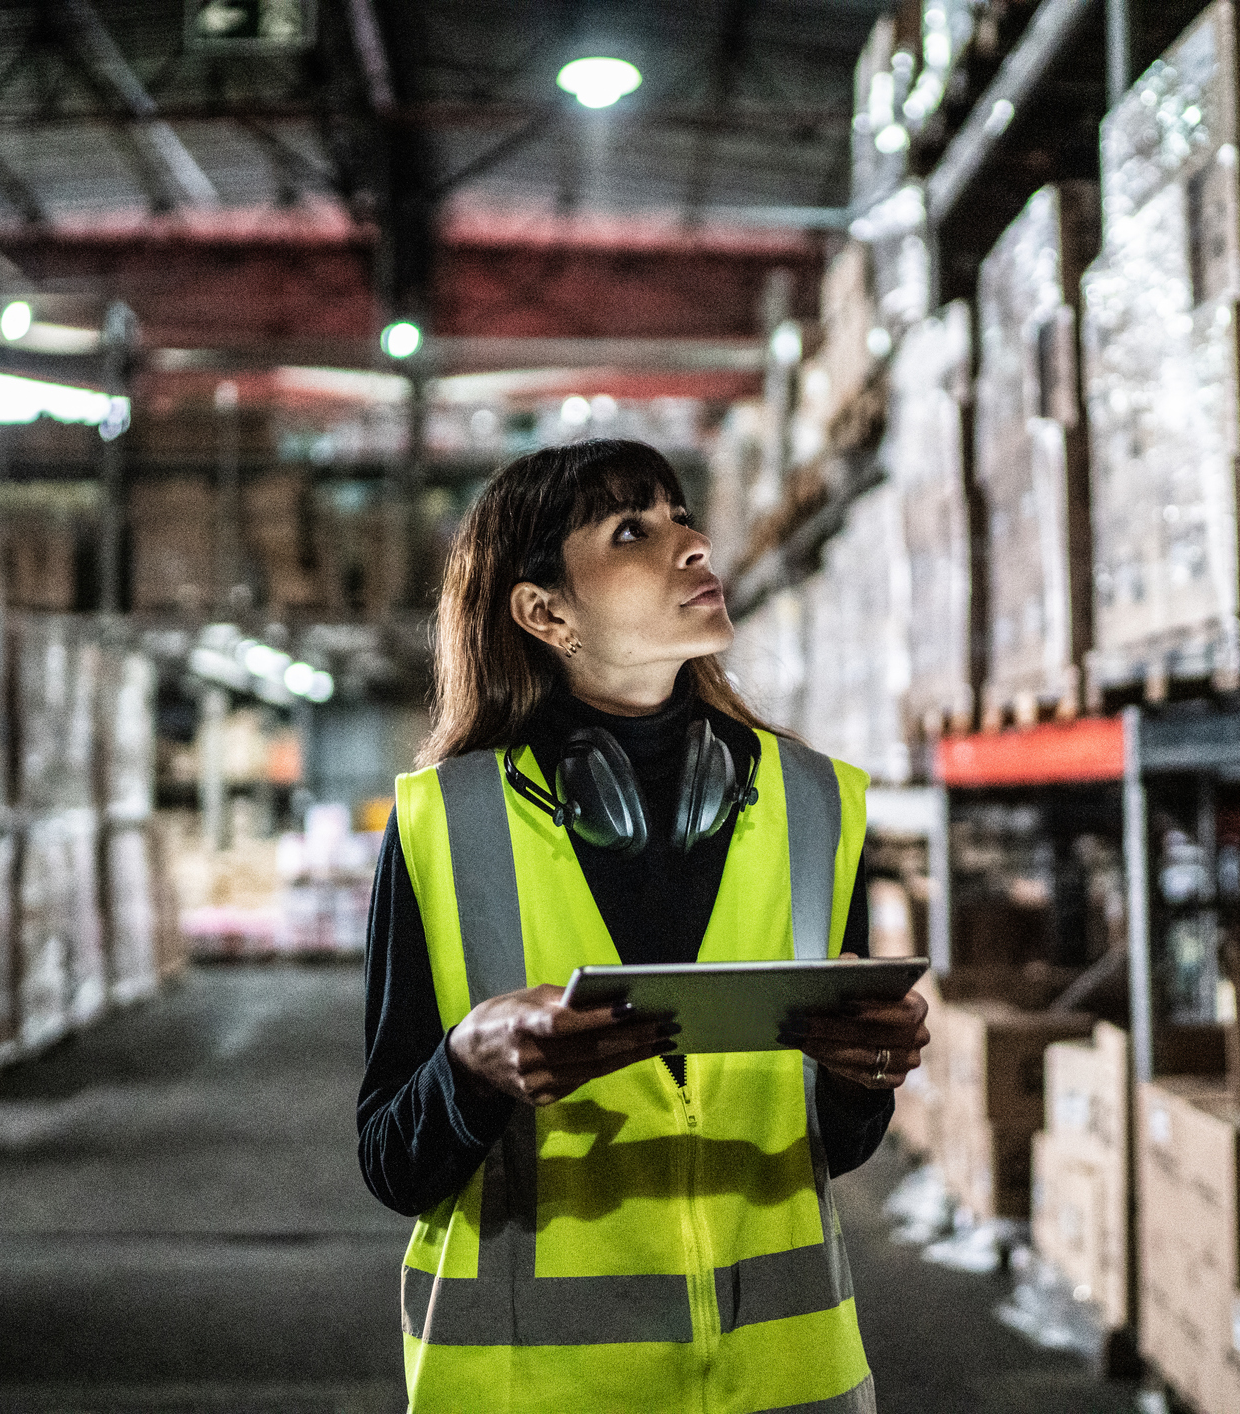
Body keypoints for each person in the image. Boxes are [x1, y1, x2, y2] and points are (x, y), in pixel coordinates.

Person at [358, 438, 930, 1413]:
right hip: (536, 1390)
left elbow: (827, 1144)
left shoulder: (812, 804)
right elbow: (391, 1157)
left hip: (786, 1386)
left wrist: (861, 1071)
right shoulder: (446, 825)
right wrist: (467, 1065)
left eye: (680, 516)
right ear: (545, 612)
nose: (693, 543)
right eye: (633, 529)